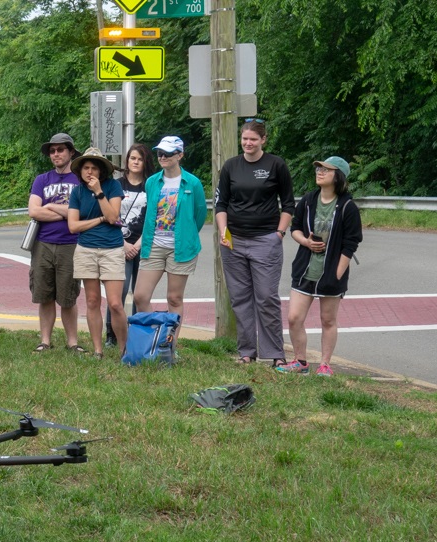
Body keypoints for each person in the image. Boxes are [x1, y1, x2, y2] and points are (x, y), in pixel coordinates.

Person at [214, 119, 295, 367]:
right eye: (244, 139)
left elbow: (289, 204)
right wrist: (223, 231)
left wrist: (279, 234)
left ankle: (275, 353)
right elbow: (221, 204)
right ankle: (247, 352)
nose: (248, 143)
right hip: (233, 243)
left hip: (265, 241)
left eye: (253, 139)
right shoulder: (231, 166)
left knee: (266, 297)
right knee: (239, 298)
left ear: (263, 140)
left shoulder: (276, 165)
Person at [276, 156, 362, 377]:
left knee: (328, 320)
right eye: (318, 168)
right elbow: (295, 228)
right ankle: (300, 361)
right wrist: (305, 242)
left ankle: (325, 364)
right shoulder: (308, 200)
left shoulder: (347, 206)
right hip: (305, 269)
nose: (320, 172)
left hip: (331, 273)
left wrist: (337, 274)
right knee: (294, 317)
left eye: (326, 169)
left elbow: (351, 243)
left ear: (338, 176)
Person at [132, 136, 208, 351]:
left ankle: (169, 345)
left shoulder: (192, 182)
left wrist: (186, 235)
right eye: (160, 154)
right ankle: (152, 337)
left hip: (181, 247)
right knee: (140, 296)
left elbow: (199, 214)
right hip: (153, 243)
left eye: (168, 154)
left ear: (180, 155)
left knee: (174, 298)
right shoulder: (152, 181)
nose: (163, 157)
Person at [27, 132, 84, 353]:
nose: (56, 154)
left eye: (61, 149)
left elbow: (83, 213)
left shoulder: (80, 180)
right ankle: (45, 341)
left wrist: (50, 207)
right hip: (43, 243)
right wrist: (68, 213)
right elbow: (34, 211)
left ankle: (72, 342)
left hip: (71, 243)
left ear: (71, 152)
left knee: (68, 296)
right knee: (44, 295)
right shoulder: (42, 179)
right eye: (52, 150)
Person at [67, 147, 125, 357]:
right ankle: (98, 351)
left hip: (112, 249)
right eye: (86, 168)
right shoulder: (77, 192)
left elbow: (112, 217)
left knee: (115, 303)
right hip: (86, 249)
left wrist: (99, 192)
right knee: (92, 301)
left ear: (101, 171)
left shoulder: (113, 186)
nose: (89, 172)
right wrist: (98, 220)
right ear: (80, 171)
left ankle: (123, 350)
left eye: (94, 168)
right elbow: (73, 226)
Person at [105, 143, 156, 348]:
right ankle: (111, 334)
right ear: (127, 161)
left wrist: (137, 244)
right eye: (132, 158)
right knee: (118, 292)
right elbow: (110, 215)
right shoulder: (116, 184)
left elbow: (154, 218)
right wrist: (124, 244)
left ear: (146, 162)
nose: (135, 162)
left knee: (140, 292)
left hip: (143, 243)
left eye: (140, 159)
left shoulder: (151, 186)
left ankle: (137, 333)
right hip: (119, 243)